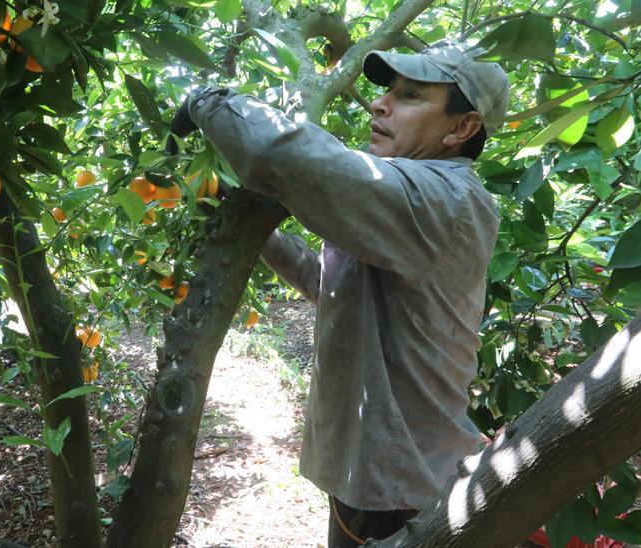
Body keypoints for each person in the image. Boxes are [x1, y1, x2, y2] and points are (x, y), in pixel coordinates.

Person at [168, 40, 510, 546]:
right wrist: (245, 219)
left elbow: (284, 154)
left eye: (411, 96)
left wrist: (208, 101)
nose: (380, 103)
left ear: (461, 128)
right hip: (371, 479)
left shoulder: (445, 198)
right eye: (388, 91)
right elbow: (329, 286)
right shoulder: (402, 210)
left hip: (400, 490)